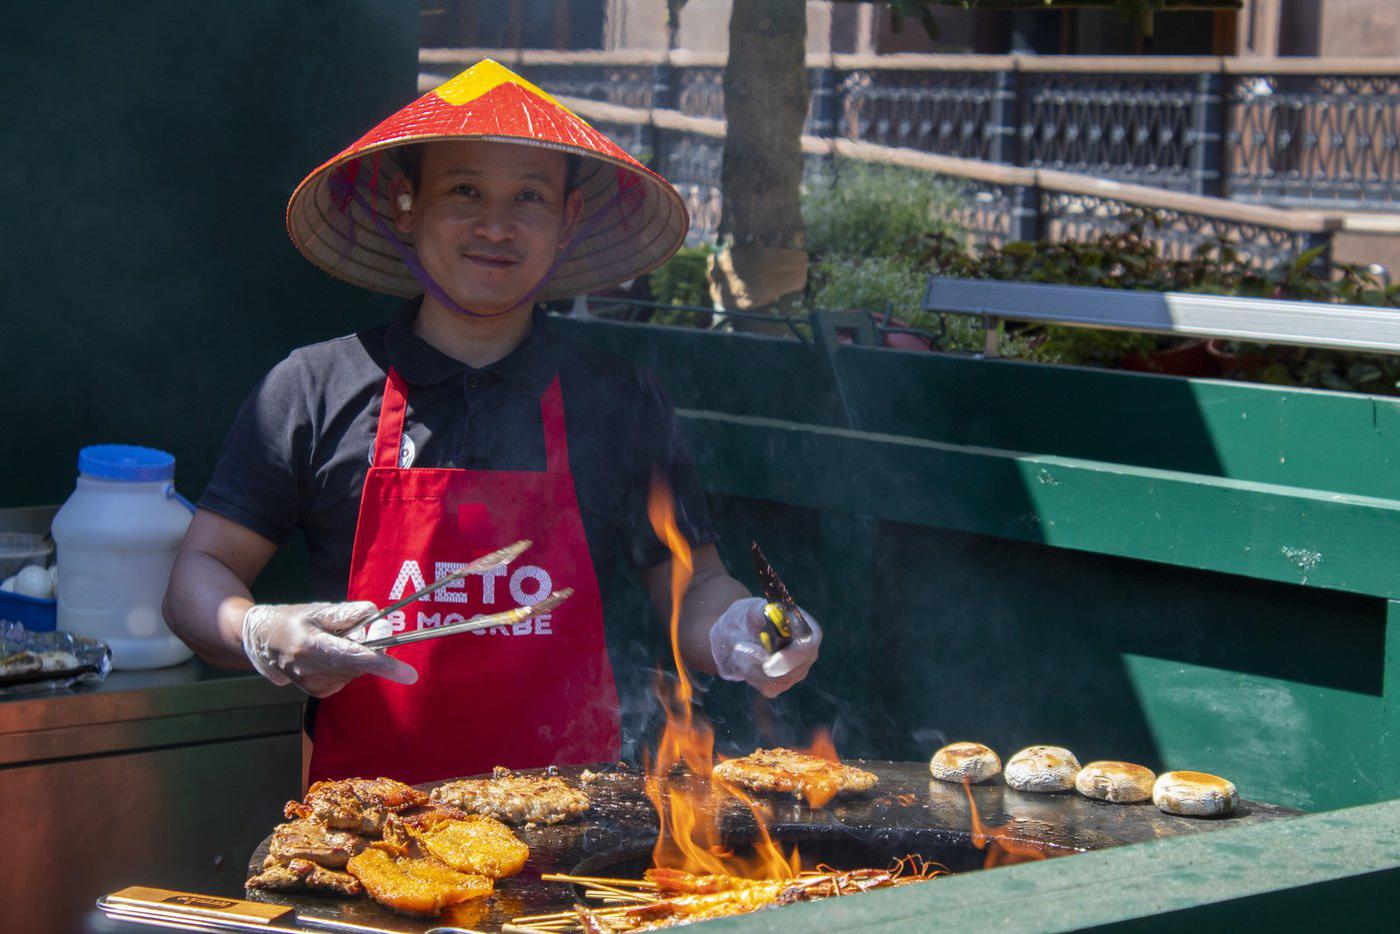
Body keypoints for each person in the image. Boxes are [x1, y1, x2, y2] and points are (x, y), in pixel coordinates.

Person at [163, 60, 822, 784]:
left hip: (574, 835)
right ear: (406, 205)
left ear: (568, 221)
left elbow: (694, 589)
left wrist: (742, 630)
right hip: (369, 836)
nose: (496, 226)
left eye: (530, 198)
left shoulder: (620, 400)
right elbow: (202, 571)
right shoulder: (314, 388)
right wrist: (259, 630)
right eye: (465, 191)